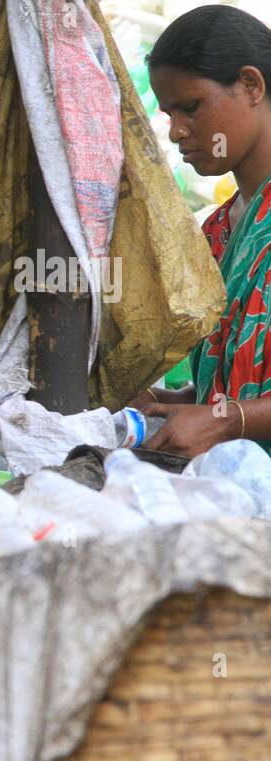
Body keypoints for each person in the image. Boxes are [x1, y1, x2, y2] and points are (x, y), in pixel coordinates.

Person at [134, 5, 271, 455]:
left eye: (190, 107)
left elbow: (233, 414)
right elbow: (236, 393)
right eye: (169, 113)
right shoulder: (217, 233)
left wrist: (225, 422)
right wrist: (164, 405)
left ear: (251, 85)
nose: (175, 132)